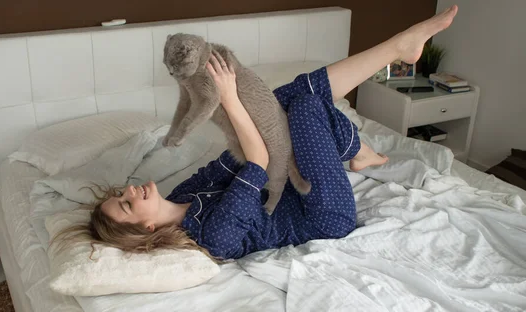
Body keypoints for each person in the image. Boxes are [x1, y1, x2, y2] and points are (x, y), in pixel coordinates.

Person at [78, 6, 458, 260]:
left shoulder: (183, 194)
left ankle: (396, 51)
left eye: (120, 195)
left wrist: (244, 104)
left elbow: (240, 154)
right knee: (305, 107)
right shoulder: (213, 236)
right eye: (127, 204)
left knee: (281, 102)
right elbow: (257, 161)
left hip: (296, 183)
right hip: (324, 216)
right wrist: (228, 99)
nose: (129, 191)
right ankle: (357, 145)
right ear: (145, 228)